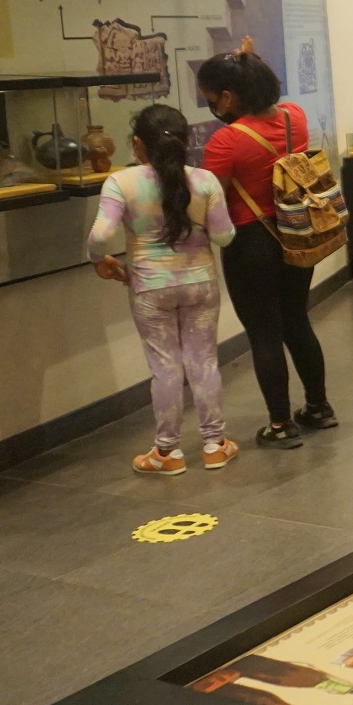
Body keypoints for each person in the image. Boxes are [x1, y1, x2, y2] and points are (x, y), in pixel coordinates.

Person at [196, 43, 337, 447]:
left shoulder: (227, 142)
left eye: (211, 99)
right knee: (296, 319)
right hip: (296, 232)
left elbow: (210, 199)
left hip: (250, 243)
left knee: (263, 333)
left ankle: (280, 425)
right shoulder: (295, 118)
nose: (212, 106)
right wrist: (249, 60)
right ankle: (319, 408)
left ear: (227, 97)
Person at [87, 104, 238, 476]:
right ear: (186, 141)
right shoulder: (204, 181)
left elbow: (101, 235)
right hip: (200, 282)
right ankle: (215, 445)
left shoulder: (121, 183)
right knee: (203, 362)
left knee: (165, 367)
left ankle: (167, 453)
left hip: (149, 287)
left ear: (138, 145)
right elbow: (224, 236)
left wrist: (98, 260)